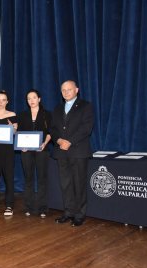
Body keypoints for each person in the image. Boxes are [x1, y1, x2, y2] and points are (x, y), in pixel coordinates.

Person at [50, 80, 94, 227]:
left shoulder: (86, 106)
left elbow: (86, 128)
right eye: (63, 90)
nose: (66, 92)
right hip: (61, 152)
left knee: (79, 184)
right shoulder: (57, 108)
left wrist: (69, 141)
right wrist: (59, 140)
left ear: (77, 90)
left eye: (69, 89)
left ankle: (80, 215)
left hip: (78, 151)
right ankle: (68, 212)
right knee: (66, 184)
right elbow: (53, 128)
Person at [17, 89, 52, 218]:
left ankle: (43, 207)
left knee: (42, 178)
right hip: (26, 151)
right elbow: (19, 133)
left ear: (39, 99)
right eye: (29, 98)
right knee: (28, 178)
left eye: (34, 97)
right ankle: (29, 207)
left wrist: (45, 143)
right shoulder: (22, 115)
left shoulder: (47, 114)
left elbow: (50, 132)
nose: (31, 100)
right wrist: (21, 145)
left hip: (41, 150)